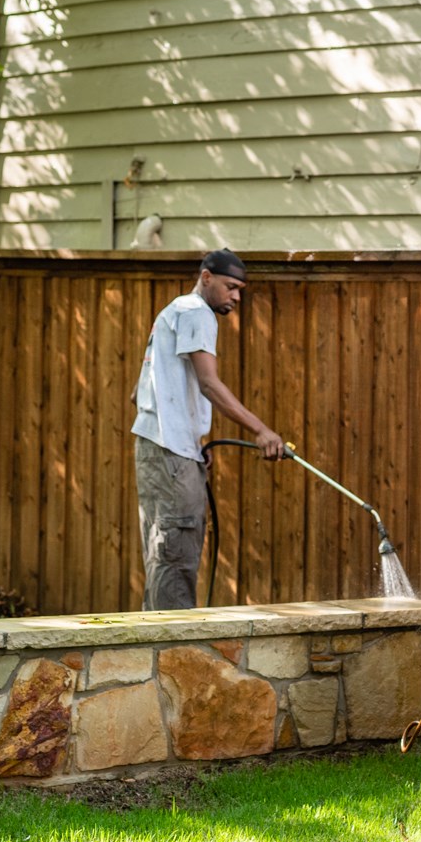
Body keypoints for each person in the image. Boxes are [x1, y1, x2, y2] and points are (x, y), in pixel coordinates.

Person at [131, 248, 285, 610]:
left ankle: (152, 656)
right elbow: (209, 384)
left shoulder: (172, 311)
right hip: (171, 455)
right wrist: (262, 431)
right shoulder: (197, 313)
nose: (236, 296)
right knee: (176, 558)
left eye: (241, 290)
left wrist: (194, 437)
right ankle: (172, 656)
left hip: (156, 450)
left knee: (162, 555)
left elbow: (138, 393)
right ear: (206, 277)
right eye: (231, 287)